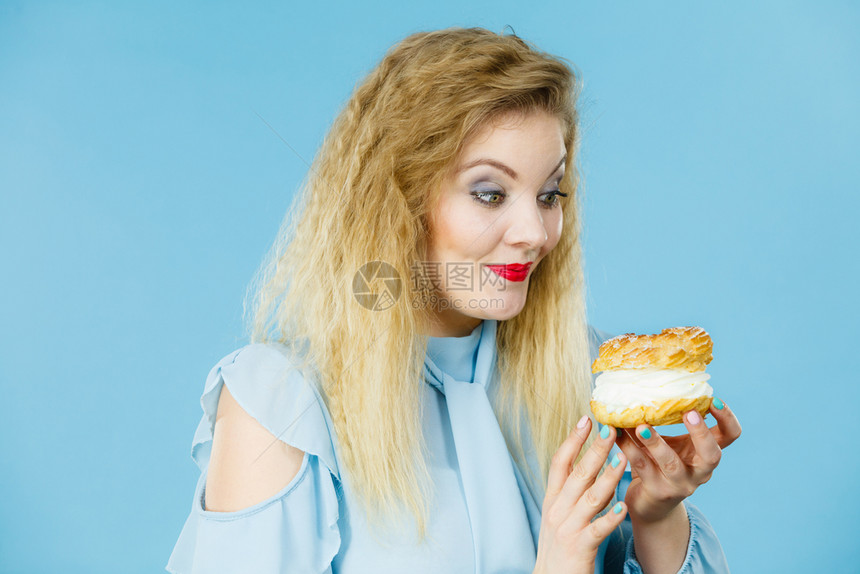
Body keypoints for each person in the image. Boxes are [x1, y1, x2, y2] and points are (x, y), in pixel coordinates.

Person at [166, 26, 742, 574]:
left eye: (550, 194)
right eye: (490, 194)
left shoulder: (584, 375)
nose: (535, 233)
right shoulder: (279, 405)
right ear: (397, 201)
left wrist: (656, 513)